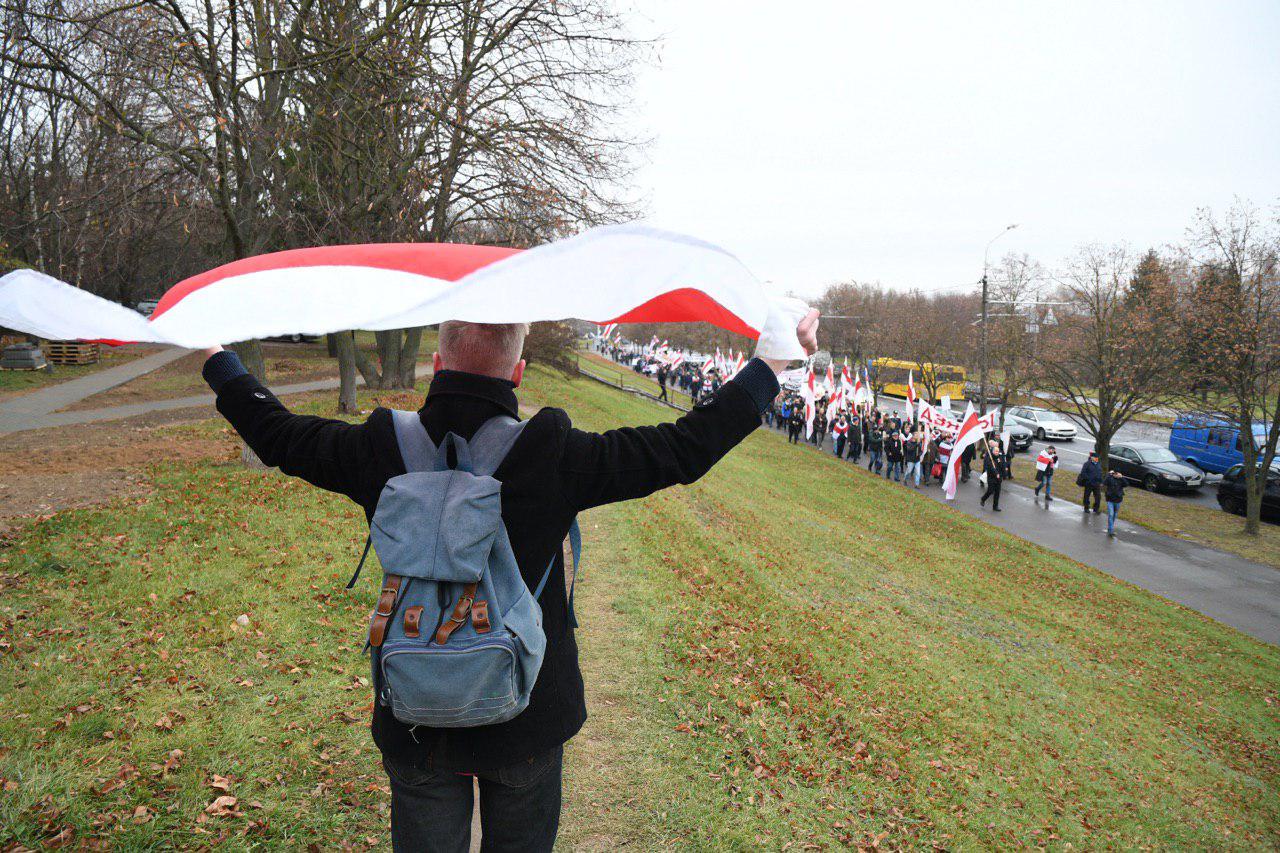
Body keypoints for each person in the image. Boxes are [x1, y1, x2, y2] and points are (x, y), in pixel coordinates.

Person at [197, 311, 820, 852]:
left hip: (415, 708)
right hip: (527, 711)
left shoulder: (380, 447)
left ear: (438, 362)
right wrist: (769, 363)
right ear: (518, 373)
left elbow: (275, 434)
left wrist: (216, 357)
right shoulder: (554, 452)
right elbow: (684, 447)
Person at [979, 439, 1009, 511]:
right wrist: (996, 473)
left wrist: (1004, 472)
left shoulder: (1000, 457)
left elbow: (1003, 465)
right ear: (993, 451)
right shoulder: (990, 458)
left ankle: (995, 506)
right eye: (996, 451)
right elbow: (991, 467)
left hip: (999, 478)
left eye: (998, 451)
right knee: (990, 491)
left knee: (997, 492)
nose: (997, 452)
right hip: (991, 477)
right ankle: (983, 499)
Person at [1104, 468, 1127, 536]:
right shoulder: (1110, 478)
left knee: (1114, 515)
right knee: (1111, 514)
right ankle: (1111, 530)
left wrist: (1122, 477)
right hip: (1110, 500)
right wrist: (1109, 474)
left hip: (1118, 500)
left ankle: (1110, 527)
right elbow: (1104, 482)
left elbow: (1126, 484)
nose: (1116, 475)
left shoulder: (1121, 480)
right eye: (1115, 473)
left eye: (1117, 474)